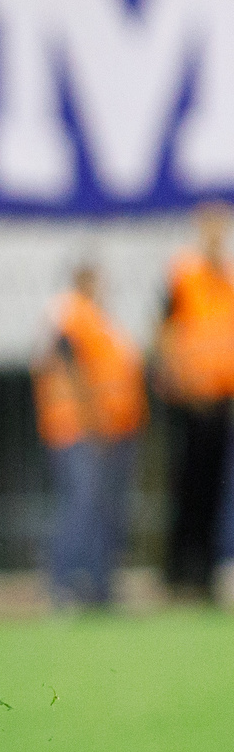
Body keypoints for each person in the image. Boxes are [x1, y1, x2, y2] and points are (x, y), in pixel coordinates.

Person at [31, 264, 147, 607]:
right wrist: (94, 421)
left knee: (103, 510)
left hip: (106, 430)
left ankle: (99, 589)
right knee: (81, 506)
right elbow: (71, 368)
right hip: (78, 430)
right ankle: (63, 586)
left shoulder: (98, 319)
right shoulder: (69, 312)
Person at [155, 202, 234, 603]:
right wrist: (172, 378)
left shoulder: (228, 278)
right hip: (190, 400)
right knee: (184, 487)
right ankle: (178, 573)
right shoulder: (185, 274)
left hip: (221, 401)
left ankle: (203, 575)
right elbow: (165, 328)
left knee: (213, 490)